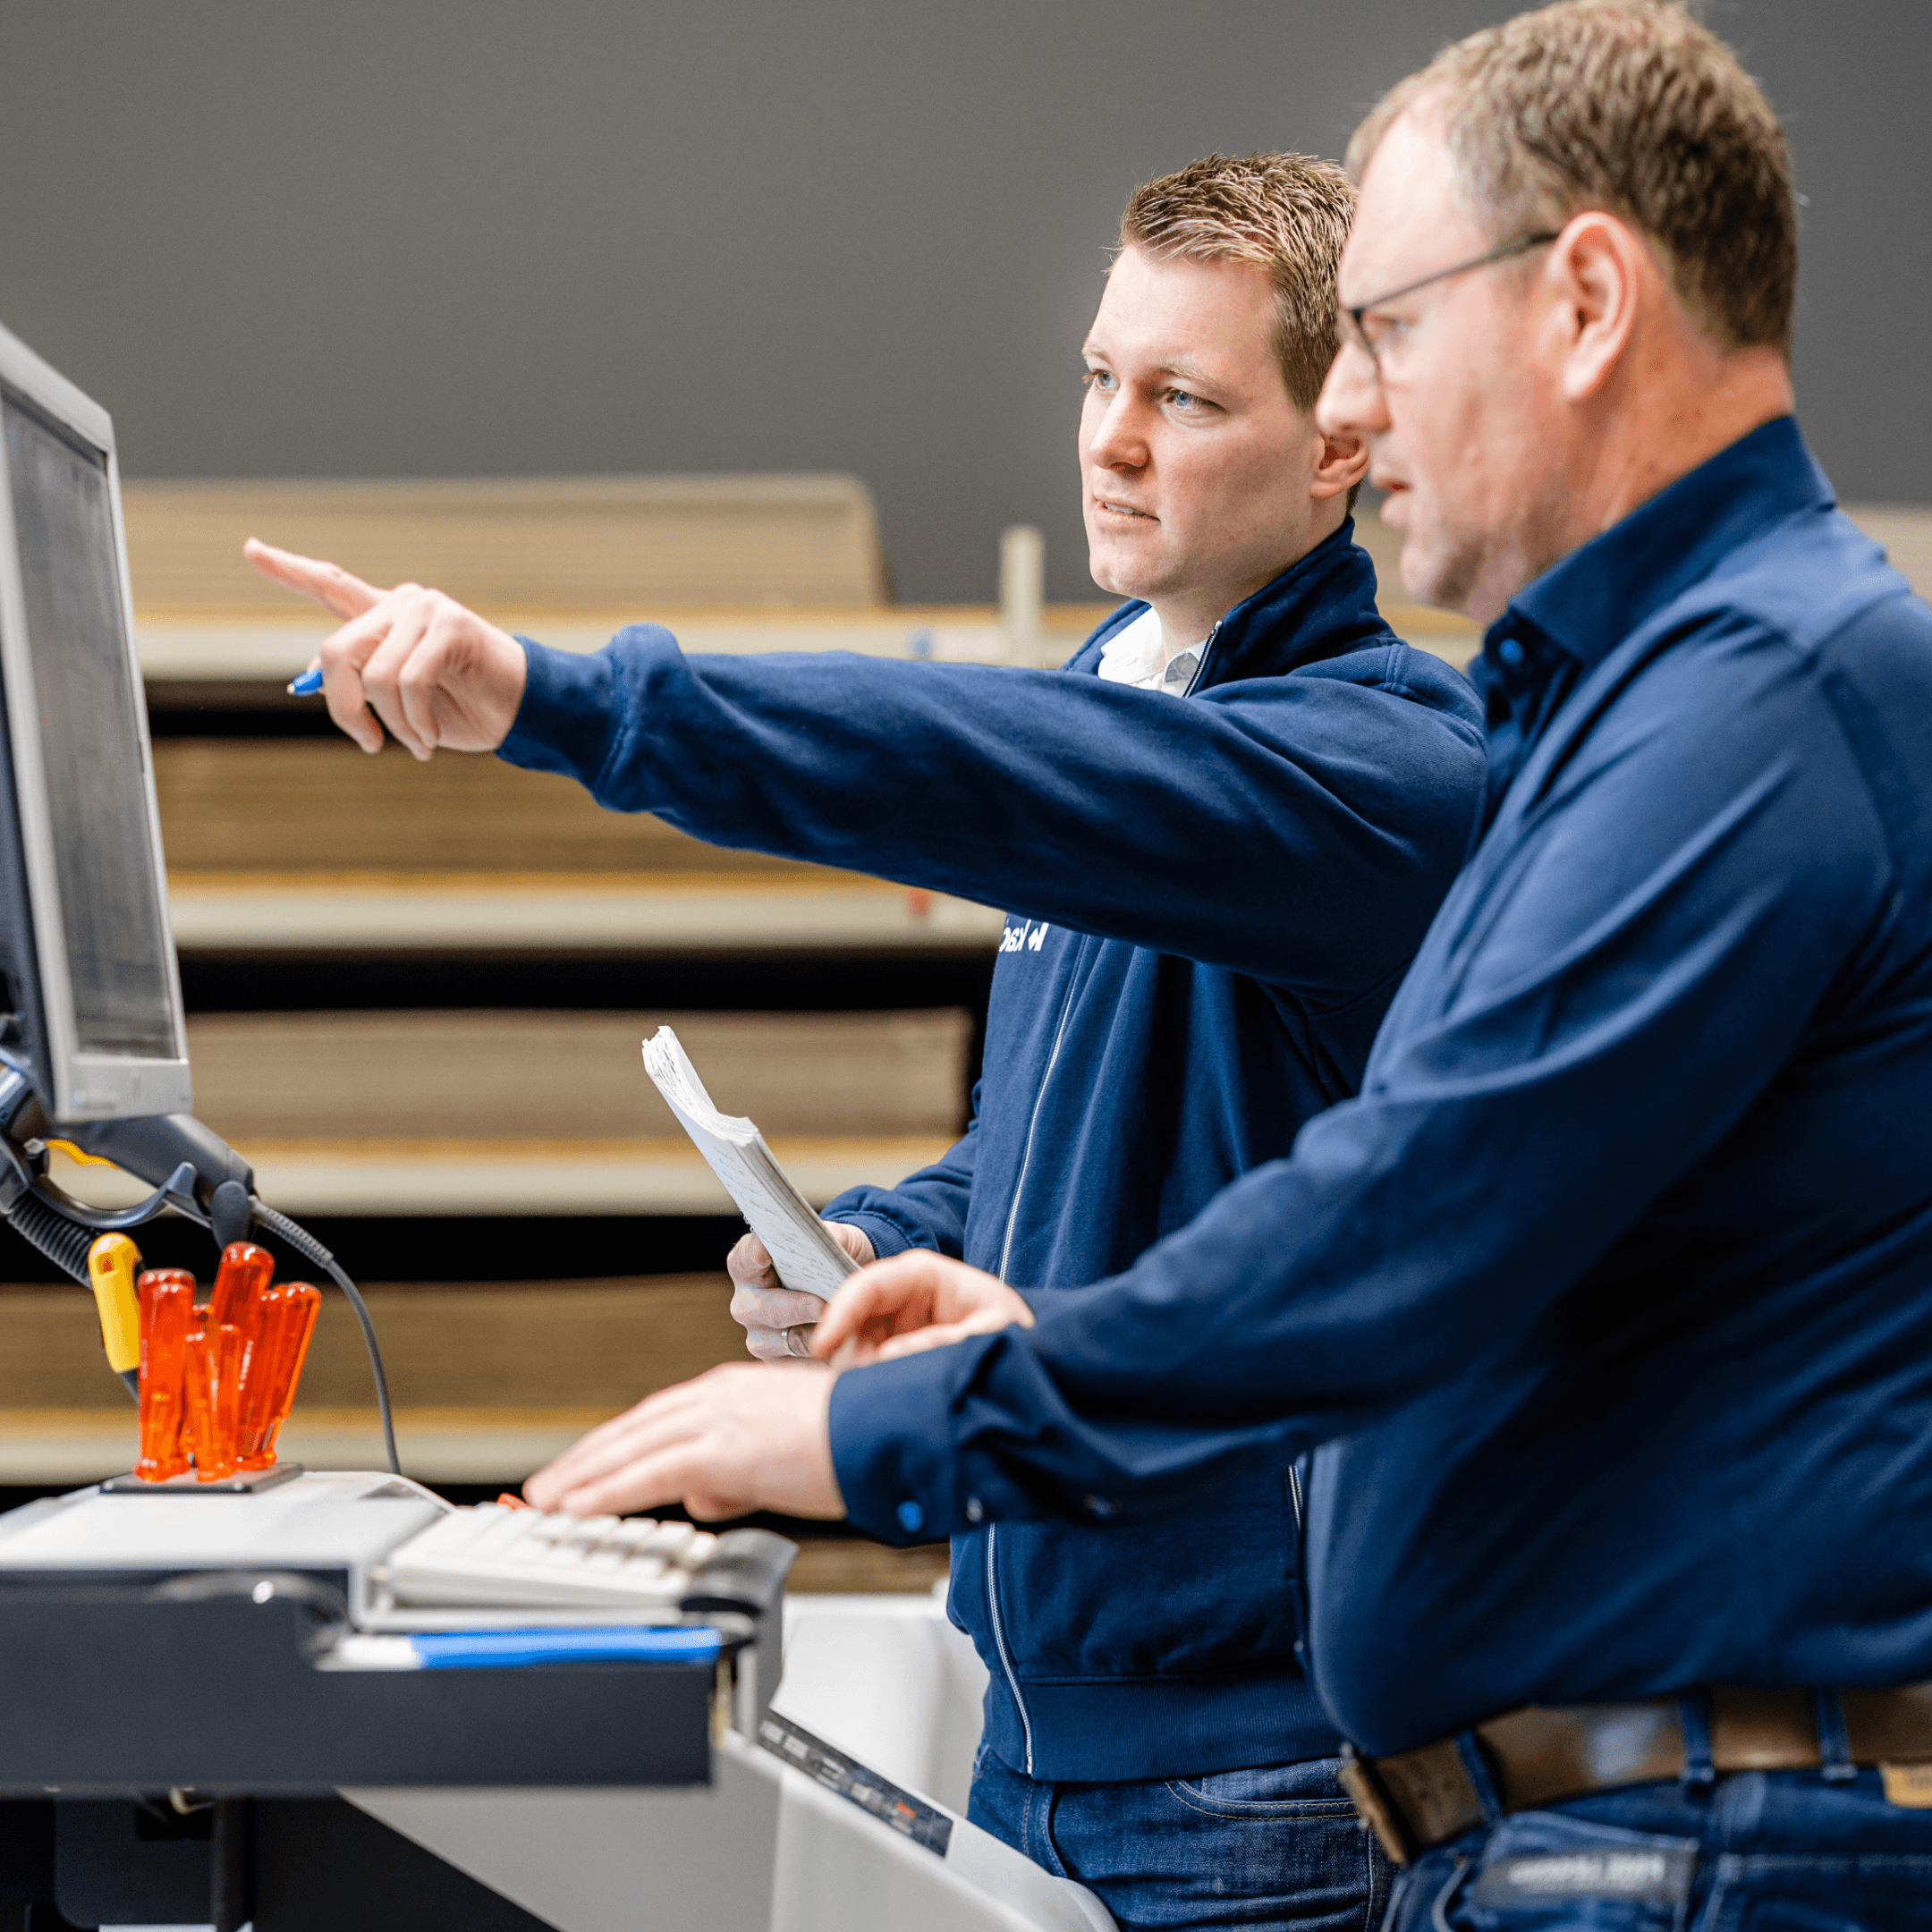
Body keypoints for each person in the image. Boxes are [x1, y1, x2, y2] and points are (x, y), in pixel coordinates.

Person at [521, 4, 1932, 1927]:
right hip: (1574, 1827)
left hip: (1666, 1846)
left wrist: (891, 1429)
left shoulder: (1742, 707)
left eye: (1395, 330)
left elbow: (1405, 1226)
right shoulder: (1650, 707)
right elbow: (1501, 1258)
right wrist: (1016, 1318)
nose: (1367, 405)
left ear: (1587, 299)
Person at [249, 153, 1487, 1931]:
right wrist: (886, 1243)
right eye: (1098, 378)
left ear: (1342, 443)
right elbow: (1050, 1145)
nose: (1111, 440)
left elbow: (951, 761)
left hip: (1251, 1772)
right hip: (1036, 1718)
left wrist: (551, 699)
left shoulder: (1364, 769)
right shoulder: (1121, 685)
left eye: (1185, 398)